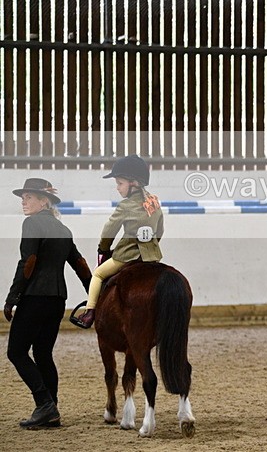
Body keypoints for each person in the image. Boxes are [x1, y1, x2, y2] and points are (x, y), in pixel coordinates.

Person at [4, 178, 92, 429]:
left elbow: (28, 262)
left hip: (35, 298)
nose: (24, 201)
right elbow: (80, 264)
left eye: (29, 197)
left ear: (44, 201)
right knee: (43, 354)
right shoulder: (63, 230)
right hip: (57, 300)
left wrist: (12, 297)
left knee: (16, 352)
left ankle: (44, 404)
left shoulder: (31, 223)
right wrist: (94, 293)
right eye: (23, 197)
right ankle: (51, 409)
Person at [73, 155, 163, 328]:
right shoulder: (154, 202)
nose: (117, 188)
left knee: (98, 274)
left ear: (134, 183)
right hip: (152, 257)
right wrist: (150, 246)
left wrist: (103, 248)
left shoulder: (125, 206)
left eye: (120, 183)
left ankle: (89, 313)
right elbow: (160, 230)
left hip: (126, 256)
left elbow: (109, 231)